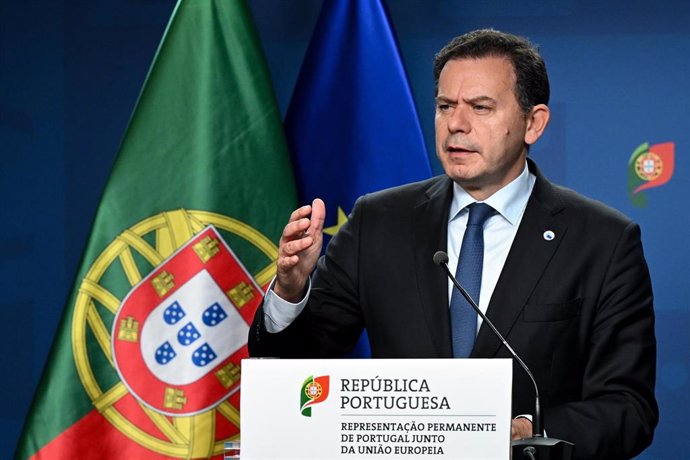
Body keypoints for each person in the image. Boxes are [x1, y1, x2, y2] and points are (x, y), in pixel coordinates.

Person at [248, 29, 658, 459]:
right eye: (445, 107)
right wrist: (290, 291)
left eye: (481, 107)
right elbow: (293, 369)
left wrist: (530, 430)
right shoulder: (379, 221)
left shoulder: (602, 241)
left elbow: (628, 408)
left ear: (533, 123)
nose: (456, 124)